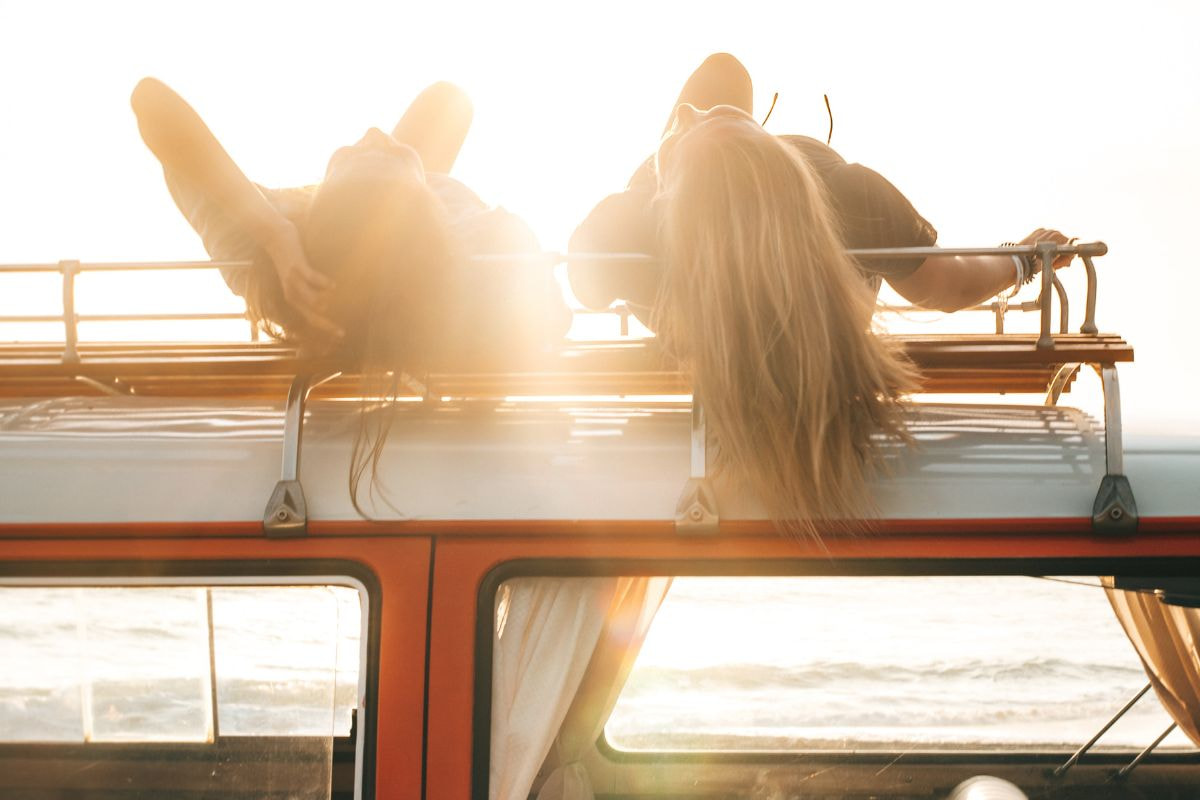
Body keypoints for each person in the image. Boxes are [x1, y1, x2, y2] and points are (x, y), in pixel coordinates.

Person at [568, 53, 1072, 537]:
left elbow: (581, 288)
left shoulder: (628, 224)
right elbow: (949, 285)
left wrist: (666, 162)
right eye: (702, 118)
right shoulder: (852, 197)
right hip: (779, 282)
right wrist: (1024, 259)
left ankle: (693, 153)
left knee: (721, 75)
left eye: (700, 117)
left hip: (697, 294)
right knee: (725, 77)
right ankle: (713, 148)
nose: (687, 110)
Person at [131, 78, 570, 509]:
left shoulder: (275, 254)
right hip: (417, 245)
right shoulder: (470, 249)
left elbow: (149, 100)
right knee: (451, 100)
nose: (375, 133)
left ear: (316, 203)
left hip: (382, 230)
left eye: (355, 154)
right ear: (428, 201)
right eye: (394, 151)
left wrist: (274, 232)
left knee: (449, 102)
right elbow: (551, 318)